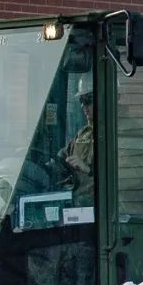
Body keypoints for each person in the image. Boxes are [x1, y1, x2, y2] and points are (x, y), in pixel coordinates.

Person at [58, 76, 95, 205]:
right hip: (79, 200)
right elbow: (64, 155)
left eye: (88, 100)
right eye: (81, 100)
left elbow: (124, 178)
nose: (83, 106)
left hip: (102, 208)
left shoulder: (120, 132)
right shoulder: (84, 133)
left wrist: (88, 170)